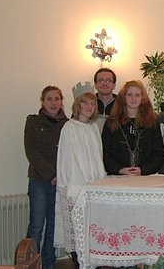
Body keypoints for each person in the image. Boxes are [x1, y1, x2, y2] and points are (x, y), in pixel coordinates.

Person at [54, 91, 106, 269]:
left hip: (93, 187)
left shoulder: (93, 127)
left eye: (92, 104)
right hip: (76, 187)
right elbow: (68, 159)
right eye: (86, 103)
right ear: (78, 105)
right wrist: (78, 185)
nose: (89, 107)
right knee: (77, 232)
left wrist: (99, 182)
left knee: (91, 230)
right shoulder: (70, 127)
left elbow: (97, 156)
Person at [24, 85, 68, 269]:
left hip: (60, 182)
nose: (53, 102)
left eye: (57, 98)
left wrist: (61, 175)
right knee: (36, 225)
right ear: (42, 101)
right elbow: (32, 152)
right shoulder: (33, 121)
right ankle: (28, 264)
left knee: (53, 226)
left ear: (61, 101)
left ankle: (48, 264)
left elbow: (69, 153)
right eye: (49, 99)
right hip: (40, 182)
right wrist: (51, 174)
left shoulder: (68, 124)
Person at [102, 80, 164, 175]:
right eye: (129, 95)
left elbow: (158, 153)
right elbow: (105, 152)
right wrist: (120, 169)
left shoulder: (152, 122)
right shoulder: (112, 122)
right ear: (123, 98)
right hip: (118, 177)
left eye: (137, 95)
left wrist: (143, 170)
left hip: (145, 177)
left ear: (142, 97)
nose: (133, 98)